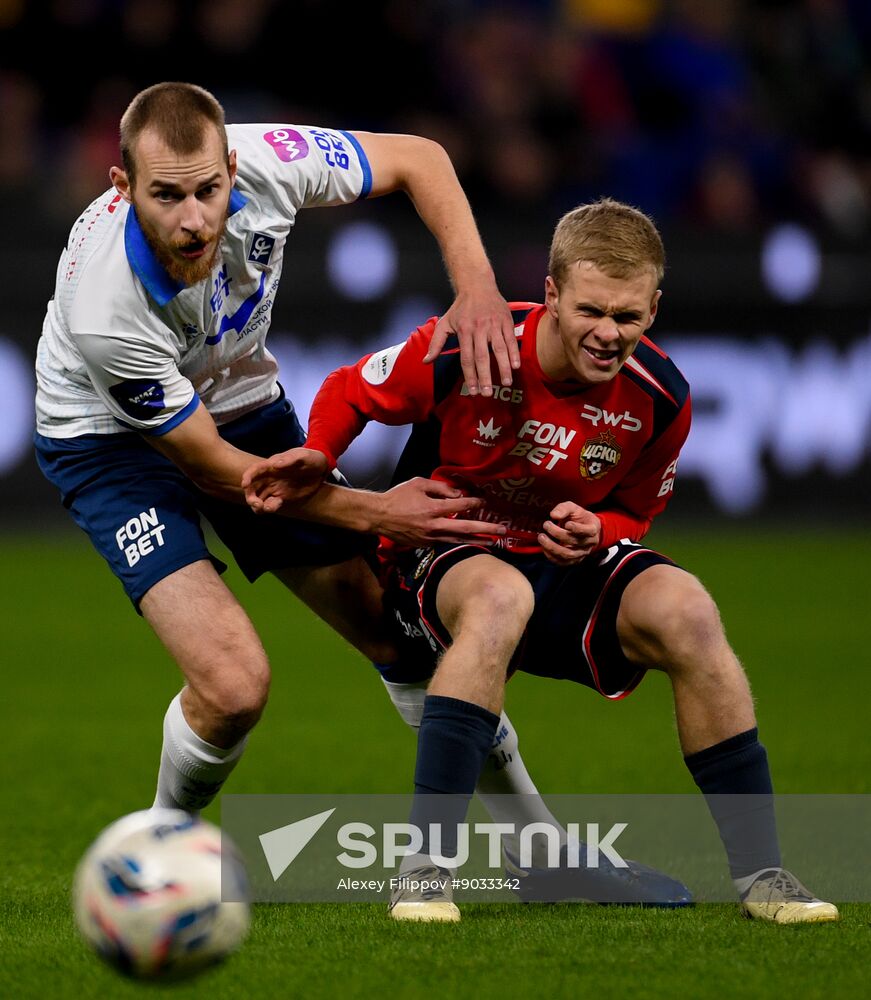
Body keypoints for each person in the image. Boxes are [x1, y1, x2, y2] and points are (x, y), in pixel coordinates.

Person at [243, 197, 839, 925]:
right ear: (550, 294)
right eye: (590, 310)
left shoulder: (662, 395)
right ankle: (425, 870)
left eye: (628, 316)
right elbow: (349, 388)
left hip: (564, 561)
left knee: (688, 612)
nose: (607, 334)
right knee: (499, 599)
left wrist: (599, 525)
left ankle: (762, 878)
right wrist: (322, 453)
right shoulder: (468, 345)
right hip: (449, 547)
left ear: (654, 306)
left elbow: (637, 507)